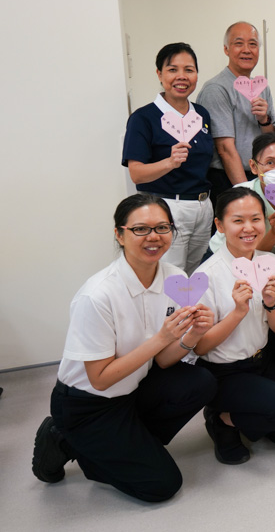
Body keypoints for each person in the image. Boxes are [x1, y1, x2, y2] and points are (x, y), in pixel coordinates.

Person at [31, 194, 216, 502]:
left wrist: (194, 334)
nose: (154, 236)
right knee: (162, 485)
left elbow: (163, 361)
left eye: (163, 227)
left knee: (201, 382)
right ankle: (65, 439)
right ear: (119, 234)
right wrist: (161, 338)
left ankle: (128, 445)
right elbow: (100, 379)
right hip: (88, 404)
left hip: (133, 388)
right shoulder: (98, 295)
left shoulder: (175, 278)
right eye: (140, 229)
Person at [193, 188, 275, 464]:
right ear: (220, 225)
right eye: (237, 220)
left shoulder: (271, 262)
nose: (249, 228)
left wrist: (271, 304)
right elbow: (199, 347)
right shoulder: (205, 276)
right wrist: (237, 313)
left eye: (256, 219)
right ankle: (220, 419)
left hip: (261, 362)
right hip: (225, 371)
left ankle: (233, 416)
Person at [122, 42, 213, 274]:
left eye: (189, 70)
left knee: (197, 274)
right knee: (171, 276)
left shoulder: (201, 114)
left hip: (203, 206)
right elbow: (136, 173)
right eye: (172, 70)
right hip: (167, 207)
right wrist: (169, 162)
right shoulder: (144, 118)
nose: (181, 76)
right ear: (159, 74)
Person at [196, 21, 275, 200]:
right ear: (226, 49)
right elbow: (225, 149)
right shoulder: (216, 88)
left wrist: (264, 120)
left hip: (258, 176)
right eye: (239, 43)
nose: (247, 50)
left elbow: (271, 138)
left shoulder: (262, 87)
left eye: (253, 44)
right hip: (228, 179)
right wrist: (247, 193)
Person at [208, 132, 275, 265]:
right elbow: (246, 258)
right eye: (270, 162)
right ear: (254, 166)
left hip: (265, 261)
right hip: (227, 260)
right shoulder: (241, 196)